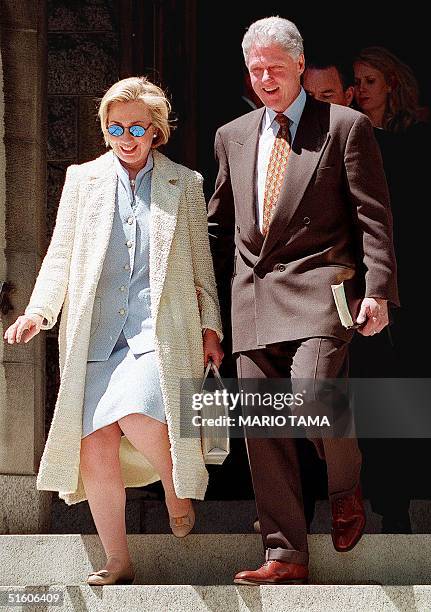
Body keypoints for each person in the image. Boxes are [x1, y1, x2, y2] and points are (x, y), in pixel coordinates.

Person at [4, 76, 223, 585]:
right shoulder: (83, 180)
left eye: (138, 128)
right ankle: (117, 558)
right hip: (96, 335)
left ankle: (175, 485)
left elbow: (199, 264)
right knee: (93, 443)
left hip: (157, 331)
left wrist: (211, 323)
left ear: (157, 132)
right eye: (116, 127)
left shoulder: (183, 184)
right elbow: (60, 255)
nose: (127, 137)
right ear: (105, 128)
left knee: (137, 413)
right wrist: (38, 313)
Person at [208, 17, 398, 585]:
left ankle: (345, 484)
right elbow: (216, 227)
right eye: (256, 69)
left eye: (275, 67)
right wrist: (198, 308)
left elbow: (373, 216)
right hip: (252, 297)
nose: (265, 79)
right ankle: (285, 553)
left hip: (322, 288)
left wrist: (380, 288)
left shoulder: (344, 126)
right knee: (263, 430)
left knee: (311, 394)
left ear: (298, 64)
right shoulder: (232, 136)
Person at [353, 47, 431, 532]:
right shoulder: (350, 138)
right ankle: (390, 503)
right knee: (380, 388)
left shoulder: (418, 139)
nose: (361, 91)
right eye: (356, 82)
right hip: (371, 279)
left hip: (417, 274)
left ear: (393, 87)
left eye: (371, 82)